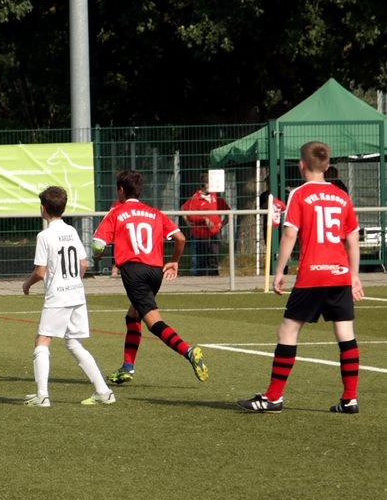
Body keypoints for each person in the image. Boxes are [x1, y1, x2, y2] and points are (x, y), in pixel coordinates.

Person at [238, 141, 363, 413]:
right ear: (327, 166)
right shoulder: (342, 196)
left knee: (288, 330)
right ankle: (350, 399)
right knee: (345, 333)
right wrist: (354, 275)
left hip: (313, 275)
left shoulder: (300, 194)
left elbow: (290, 234)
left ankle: (273, 397)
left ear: (301, 165)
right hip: (340, 274)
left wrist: (279, 270)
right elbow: (353, 240)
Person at [92, 169, 209, 385]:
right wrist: (174, 261)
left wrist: (96, 257)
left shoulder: (117, 211)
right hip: (155, 272)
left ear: (121, 190)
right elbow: (181, 238)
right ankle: (127, 367)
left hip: (133, 271)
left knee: (154, 322)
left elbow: (98, 244)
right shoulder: (155, 213)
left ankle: (188, 351)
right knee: (132, 317)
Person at [22, 186, 115, 407]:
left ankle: (42, 395)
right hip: (77, 293)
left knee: (42, 340)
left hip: (58, 296)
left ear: (43, 209)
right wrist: (73, 280)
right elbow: (83, 263)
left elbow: (40, 271)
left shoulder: (44, 236)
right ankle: (103, 391)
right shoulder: (72, 231)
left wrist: (27, 284)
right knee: (73, 342)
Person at [180, 173, 230, 276]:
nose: (211, 186)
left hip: (214, 233)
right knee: (201, 259)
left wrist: (221, 224)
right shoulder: (196, 198)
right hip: (201, 234)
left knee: (214, 258)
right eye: (209, 183)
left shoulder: (216, 196)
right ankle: (201, 279)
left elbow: (228, 211)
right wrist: (203, 219)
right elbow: (189, 214)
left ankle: (214, 277)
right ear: (204, 184)